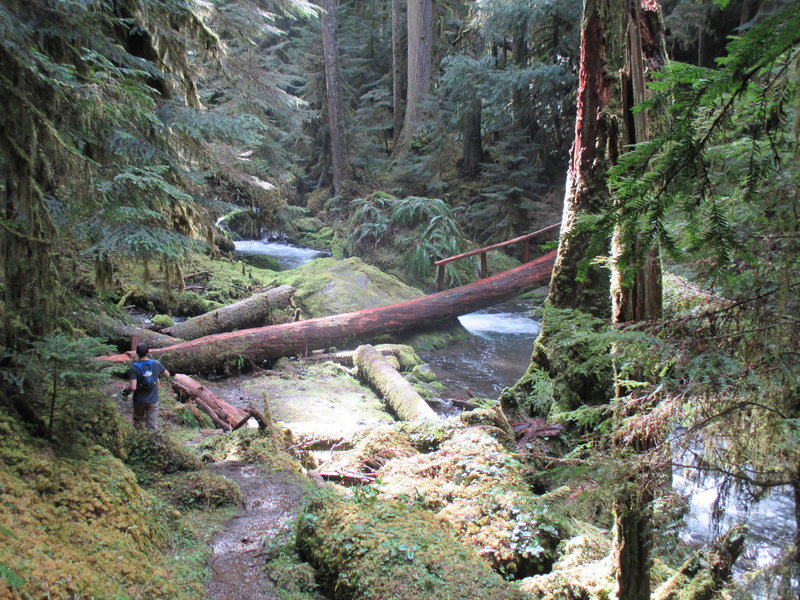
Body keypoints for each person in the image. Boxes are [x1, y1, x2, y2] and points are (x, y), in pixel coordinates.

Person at [123, 342, 170, 430]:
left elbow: (133, 387)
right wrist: (156, 376)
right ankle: (151, 441)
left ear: (137, 353)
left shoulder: (134, 367)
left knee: (138, 422)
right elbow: (167, 374)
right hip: (153, 400)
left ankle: (139, 440)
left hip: (139, 400)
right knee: (152, 425)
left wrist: (125, 392)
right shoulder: (156, 363)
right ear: (148, 352)